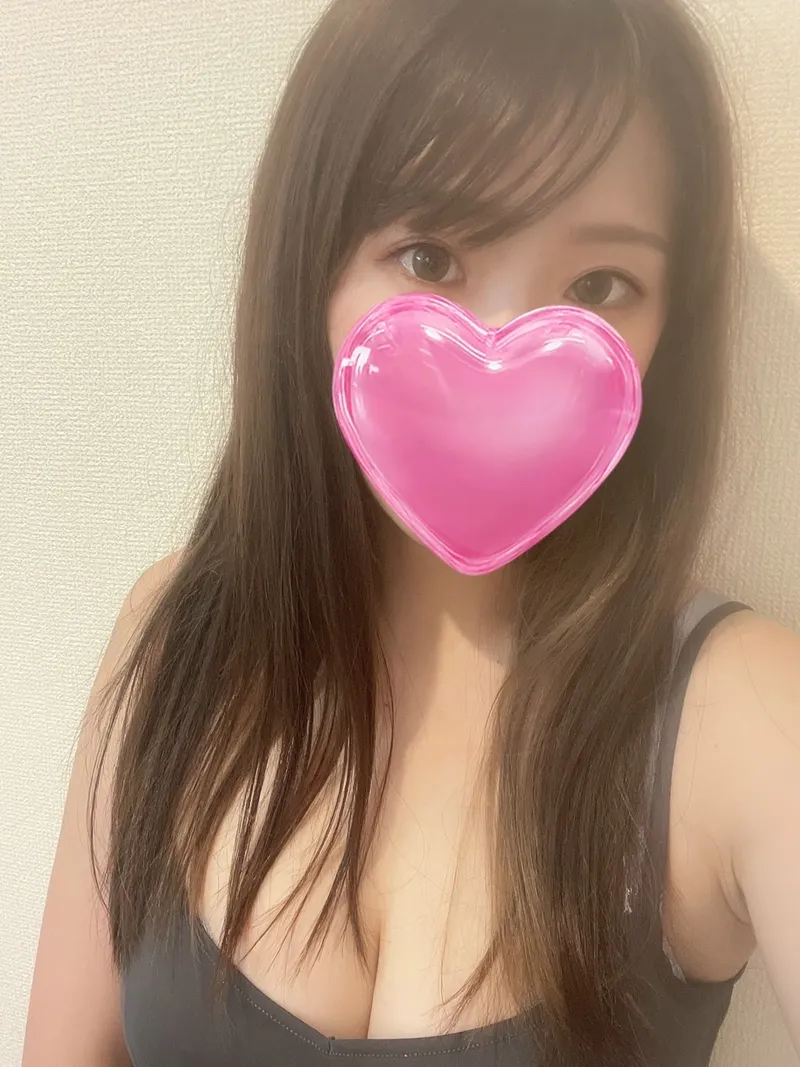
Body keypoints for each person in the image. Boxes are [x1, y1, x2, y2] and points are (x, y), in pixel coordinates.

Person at [22, 0, 800, 1064]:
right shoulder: (173, 637)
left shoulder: (744, 712)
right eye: (428, 258)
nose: (501, 354)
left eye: (600, 286)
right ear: (311, 269)